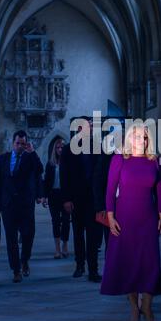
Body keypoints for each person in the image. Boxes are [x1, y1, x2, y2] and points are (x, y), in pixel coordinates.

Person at [101, 124, 161, 321]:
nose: (142, 140)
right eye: (138, 136)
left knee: (150, 263)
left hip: (148, 218)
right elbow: (110, 190)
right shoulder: (120, 159)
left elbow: (160, 191)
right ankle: (133, 308)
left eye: (145, 137)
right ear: (130, 138)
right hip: (124, 218)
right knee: (129, 262)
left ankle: (147, 306)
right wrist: (110, 218)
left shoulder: (153, 161)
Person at [0, 130, 44, 282]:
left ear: (26, 144)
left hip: (25, 204)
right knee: (11, 239)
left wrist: (33, 152)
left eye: (23, 144)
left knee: (28, 235)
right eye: (18, 143)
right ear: (13, 143)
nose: (20, 146)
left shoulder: (30, 158)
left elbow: (39, 170)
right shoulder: (3, 159)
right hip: (8, 205)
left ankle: (25, 260)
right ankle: (16, 269)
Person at [60, 117, 102, 282]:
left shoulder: (97, 147)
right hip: (76, 198)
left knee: (93, 235)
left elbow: (101, 172)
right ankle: (79, 265)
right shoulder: (69, 149)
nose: (89, 129)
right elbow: (64, 175)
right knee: (78, 233)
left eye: (91, 127)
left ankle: (93, 269)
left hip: (93, 198)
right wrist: (66, 199)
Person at [43, 139, 70, 259]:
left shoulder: (69, 163)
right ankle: (57, 248)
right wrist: (44, 196)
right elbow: (46, 182)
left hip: (65, 195)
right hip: (53, 195)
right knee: (55, 221)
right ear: (55, 149)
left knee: (65, 220)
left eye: (62, 147)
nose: (60, 149)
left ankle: (65, 245)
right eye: (58, 147)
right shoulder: (50, 164)